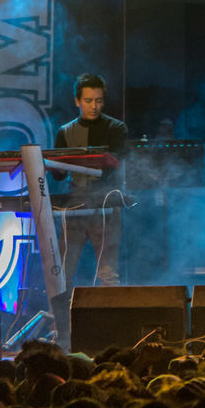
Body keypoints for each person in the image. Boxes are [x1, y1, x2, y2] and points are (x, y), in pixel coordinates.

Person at [54, 73, 128, 299]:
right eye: (88, 101)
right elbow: (58, 175)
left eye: (98, 100)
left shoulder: (116, 128)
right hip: (75, 206)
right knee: (63, 272)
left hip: (105, 205)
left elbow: (120, 163)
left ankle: (111, 325)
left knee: (108, 273)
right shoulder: (65, 131)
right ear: (77, 101)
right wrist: (56, 165)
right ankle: (60, 325)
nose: (94, 106)